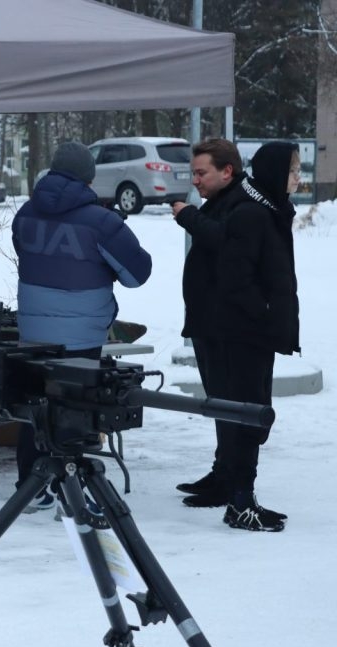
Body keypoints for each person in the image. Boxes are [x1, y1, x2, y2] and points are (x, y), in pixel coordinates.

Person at [11, 141, 152, 510]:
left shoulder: (25, 213)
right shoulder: (102, 221)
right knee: (77, 409)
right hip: (81, 335)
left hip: (33, 332)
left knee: (35, 406)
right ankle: (72, 493)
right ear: (88, 177)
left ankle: (30, 485)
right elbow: (137, 274)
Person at [208, 141, 300, 532]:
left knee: (256, 415)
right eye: (294, 170)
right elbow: (234, 279)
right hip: (244, 334)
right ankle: (240, 503)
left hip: (257, 334)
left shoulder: (271, 211)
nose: (298, 177)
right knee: (249, 415)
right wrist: (263, 312)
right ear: (277, 173)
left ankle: (244, 497)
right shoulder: (253, 215)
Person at [171, 139, 248, 507]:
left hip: (226, 327)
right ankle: (222, 471)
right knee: (220, 402)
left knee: (230, 404)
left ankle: (230, 482)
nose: (196, 180)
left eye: (201, 173)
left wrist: (188, 215)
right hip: (209, 324)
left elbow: (222, 241)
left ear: (227, 171)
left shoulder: (242, 205)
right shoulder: (220, 201)